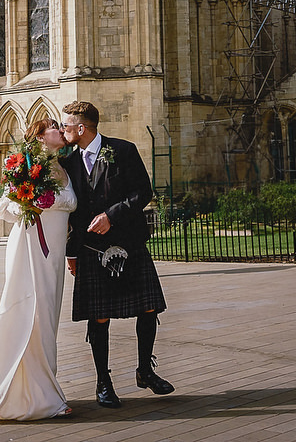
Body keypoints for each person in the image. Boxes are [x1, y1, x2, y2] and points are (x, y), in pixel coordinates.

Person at [60, 100, 171, 409]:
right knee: (100, 316)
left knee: (148, 309)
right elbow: (70, 215)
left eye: (66, 125)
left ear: (81, 128)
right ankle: (103, 382)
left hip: (130, 244)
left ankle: (145, 371)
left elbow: (143, 192)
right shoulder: (68, 162)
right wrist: (71, 253)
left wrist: (112, 214)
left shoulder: (122, 151)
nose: (62, 129)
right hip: (91, 250)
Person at [0, 118, 79, 421]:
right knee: (30, 315)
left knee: (47, 319)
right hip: (30, 249)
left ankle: (43, 388)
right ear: (39, 137)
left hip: (54, 257)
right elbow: (3, 209)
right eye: (53, 125)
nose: (61, 128)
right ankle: (42, 399)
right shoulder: (26, 165)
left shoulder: (64, 167)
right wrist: (25, 201)